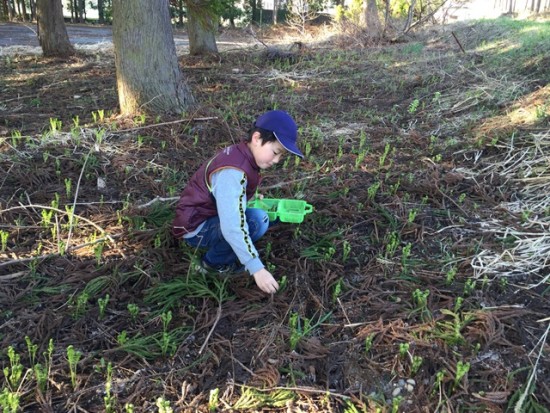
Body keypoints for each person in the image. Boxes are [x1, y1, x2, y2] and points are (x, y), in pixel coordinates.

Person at [173, 110, 303, 294]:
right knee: (256, 221)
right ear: (257, 138)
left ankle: (225, 254)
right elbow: (232, 226)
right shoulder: (233, 172)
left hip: (205, 217)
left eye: (281, 156)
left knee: (261, 217)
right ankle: (210, 264)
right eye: (275, 152)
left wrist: (245, 198)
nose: (276, 160)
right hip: (196, 230)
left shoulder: (240, 154)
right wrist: (256, 268)